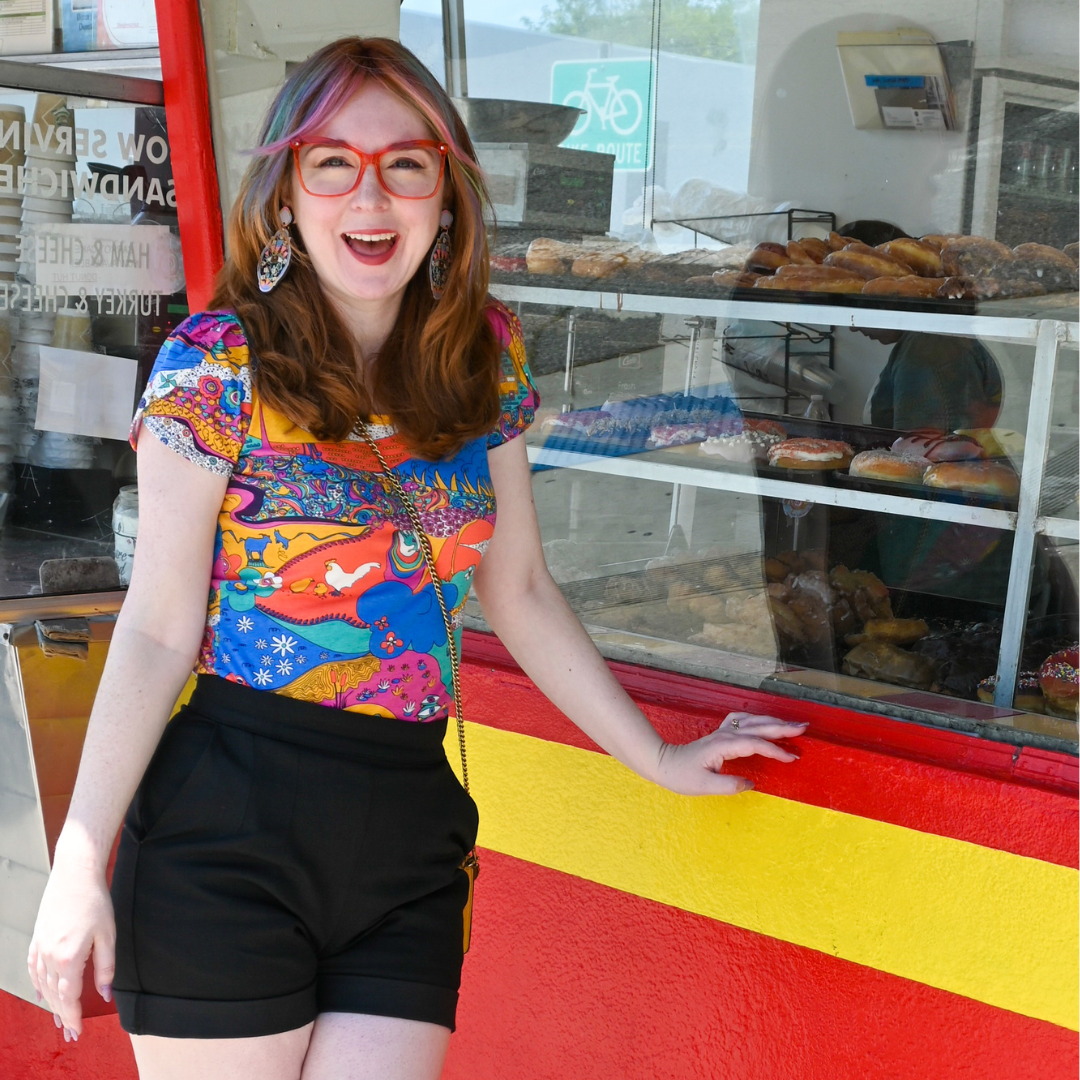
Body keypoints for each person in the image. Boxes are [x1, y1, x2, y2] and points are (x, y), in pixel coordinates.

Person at [26, 38, 807, 1080]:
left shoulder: (484, 355)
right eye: (333, 160)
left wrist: (654, 758)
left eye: (406, 162)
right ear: (285, 194)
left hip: (409, 830)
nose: (371, 193)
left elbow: (519, 587)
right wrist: (79, 862)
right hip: (228, 829)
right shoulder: (214, 365)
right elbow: (162, 625)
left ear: (447, 195)